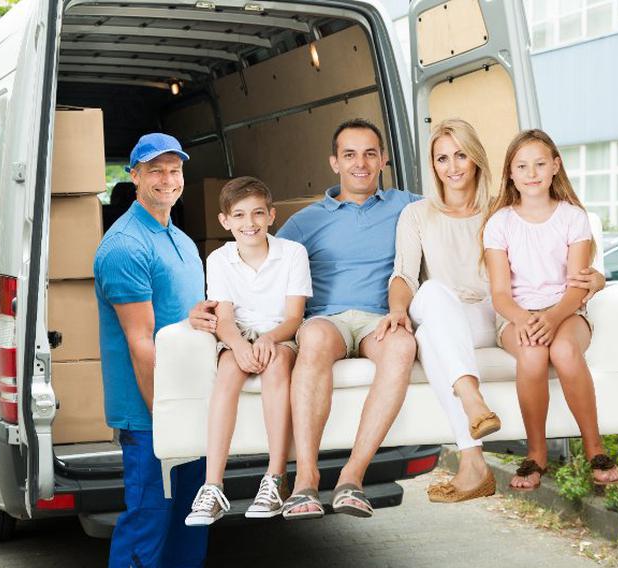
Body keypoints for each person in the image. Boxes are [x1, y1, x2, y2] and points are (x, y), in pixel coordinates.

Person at [381, 118, 608, 502]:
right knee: (432, 302)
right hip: (446, 316)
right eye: (441, 159)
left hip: (491, 316)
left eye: (460, 155)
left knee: (429, 337)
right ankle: (473, 408)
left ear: (477, 160)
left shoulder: (502, 211)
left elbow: (551, 261)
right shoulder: (417, 215)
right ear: (433, 165)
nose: (452, 167)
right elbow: (404, 275)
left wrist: (596, 280)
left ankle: (473, 461)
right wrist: (398, 309)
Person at [275, 118, 422, 519]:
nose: (361, 163)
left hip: (381, 320)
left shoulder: (409, 206)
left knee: (403, 344)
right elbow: (263, 267)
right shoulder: (306, 220)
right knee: (316, 339)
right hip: (328, 319)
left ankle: (351, 478)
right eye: (350, 154)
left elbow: (461, 217)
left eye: (370, 153)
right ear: (334, 162)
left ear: (383, 160)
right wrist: (217, 304)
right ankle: (306, 480)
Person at [482, 129, 618, 490]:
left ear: (555, 166)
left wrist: (554, 317)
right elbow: (499, 293)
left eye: (540, 164)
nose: (532, 173)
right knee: (531, 355)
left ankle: (595, 447)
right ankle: (536, 454)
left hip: (567, 310)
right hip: (517, 313)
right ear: (510, 173)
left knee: (563, 350)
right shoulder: (499, 224)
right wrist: (526, 320)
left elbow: (577, 285)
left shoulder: (574, 218)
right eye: (522, 166)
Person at [94, 133, 208, 567]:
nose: (167, 179)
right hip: (152, 417)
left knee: (190, 522)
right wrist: (165, 421)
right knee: (148, 525)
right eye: (155, 170)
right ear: (135, 175)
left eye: (174, 169)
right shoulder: (126, 246)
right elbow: (142, 344)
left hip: (190, 406)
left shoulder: (175, 237)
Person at [184, 177, 311, 525]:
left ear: (272, 215)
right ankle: (212, 486)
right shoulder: (219, 259)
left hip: (280, 333)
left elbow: (294, 317)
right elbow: (224, 319)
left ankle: (274, 478)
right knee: (225, 375)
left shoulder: (292, 254)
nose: (249, 223)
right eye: (238, 215)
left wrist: (269, 340)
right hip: (238, 333)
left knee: (275, 369)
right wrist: (238, 345)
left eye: (257, 213)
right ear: (225, 221)